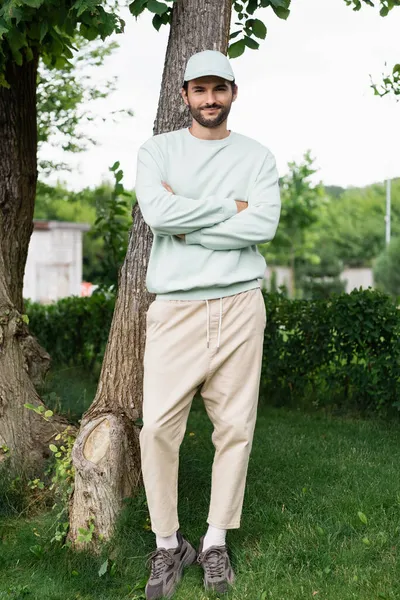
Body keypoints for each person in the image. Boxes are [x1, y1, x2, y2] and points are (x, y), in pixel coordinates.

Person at [135, 49, 281, 600]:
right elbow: (158, 215)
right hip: (175, 309)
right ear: (184, 96)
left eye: (220, 88)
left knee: (236, 428)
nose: (210, 99)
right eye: (200, 90)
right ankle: (169, 545)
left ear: (234, 93)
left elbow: (262, 223)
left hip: (241, 305)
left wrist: (189, 224)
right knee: (157, 430)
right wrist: (229, 210)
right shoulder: (158, 151)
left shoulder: (258, 156)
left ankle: (215, 541)